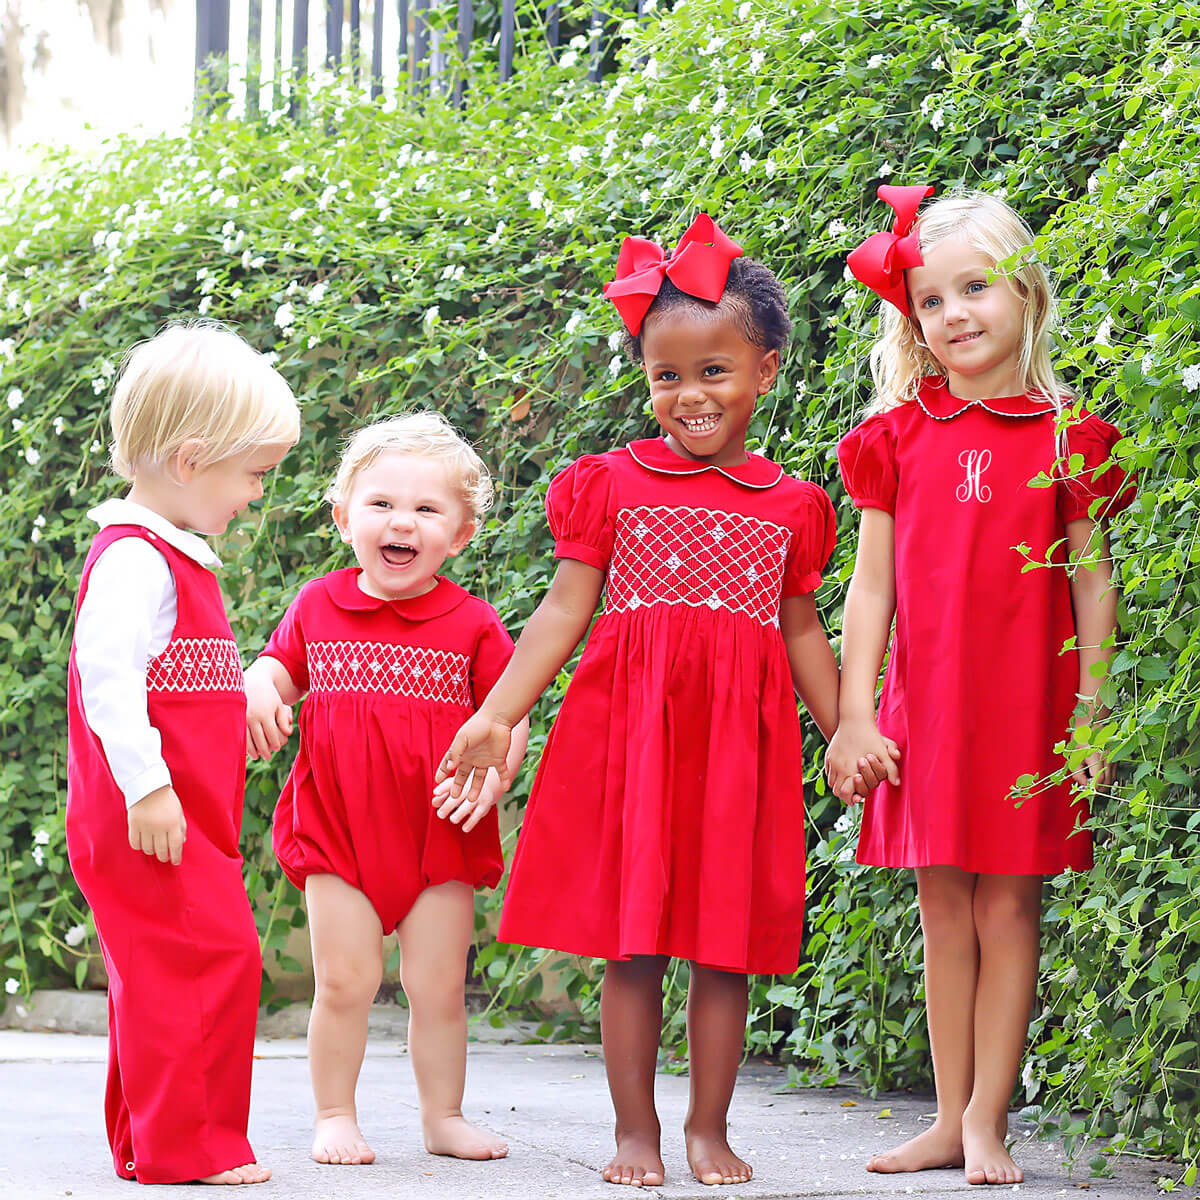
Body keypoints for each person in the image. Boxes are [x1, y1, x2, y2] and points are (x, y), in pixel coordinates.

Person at [436, 215, 852, 1188]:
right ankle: (636, 1135)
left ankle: (709, 1129)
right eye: (668, 375)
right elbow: (561, 611)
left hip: (736, 753)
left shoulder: (791, 506)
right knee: (633, 945)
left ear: (766, 371)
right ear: (647, 378)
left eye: (715, 370)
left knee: (724, 951)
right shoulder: (610, 486)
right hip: (634, 740)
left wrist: (846, 733)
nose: (691, 394)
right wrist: (497, 712)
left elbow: (800, 632)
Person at [826, 185, 1136, 1186]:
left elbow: (1092, 584)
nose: (955, 314)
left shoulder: (1067, 437)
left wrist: (1089, 719)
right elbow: (869, 588)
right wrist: (855, 712)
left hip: (1027, 719)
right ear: (910, 320)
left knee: (1009, 914)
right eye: (930, 300)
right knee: (941, 914)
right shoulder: (894, 437)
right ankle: (947, 1119)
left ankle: (988, 1120)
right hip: (927, 715)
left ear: (1028, 294)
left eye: (976, 288)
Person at [244, 411, 528, 1167]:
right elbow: (278, 667)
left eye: (427, 510)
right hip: (340, 828)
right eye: (382, 504)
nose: (402, 521)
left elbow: (506, 715)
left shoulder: (472, 624)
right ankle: (335, 1113)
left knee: (437, 989)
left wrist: (498, 771)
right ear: (344, 518)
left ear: (460, 535)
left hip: (440, 830)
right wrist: (256, 685)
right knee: (345, 981)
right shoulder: (317, 605)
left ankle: (444, 1116)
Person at [66, 321, 300, 1184]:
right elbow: (107, 677)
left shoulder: (172, 554)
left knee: (163, 973)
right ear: (191, 461)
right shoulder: (137, 562)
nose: (256, 495)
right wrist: (148, 787)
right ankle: (191, 1149)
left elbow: (171, 670)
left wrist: (234, 696)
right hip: (150, 816)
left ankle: (147, 1141)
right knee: (206, 966)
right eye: (254, 475)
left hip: (172, 813)